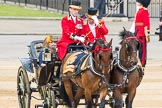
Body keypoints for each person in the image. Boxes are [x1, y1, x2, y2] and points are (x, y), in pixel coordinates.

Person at [135, 0, 151, 68]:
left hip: (142, 33)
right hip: (138, 33)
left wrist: (146, 33)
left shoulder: (144, 11)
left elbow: (146, 23)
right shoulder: (139, 10)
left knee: (143, 50)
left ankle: (143, 63)